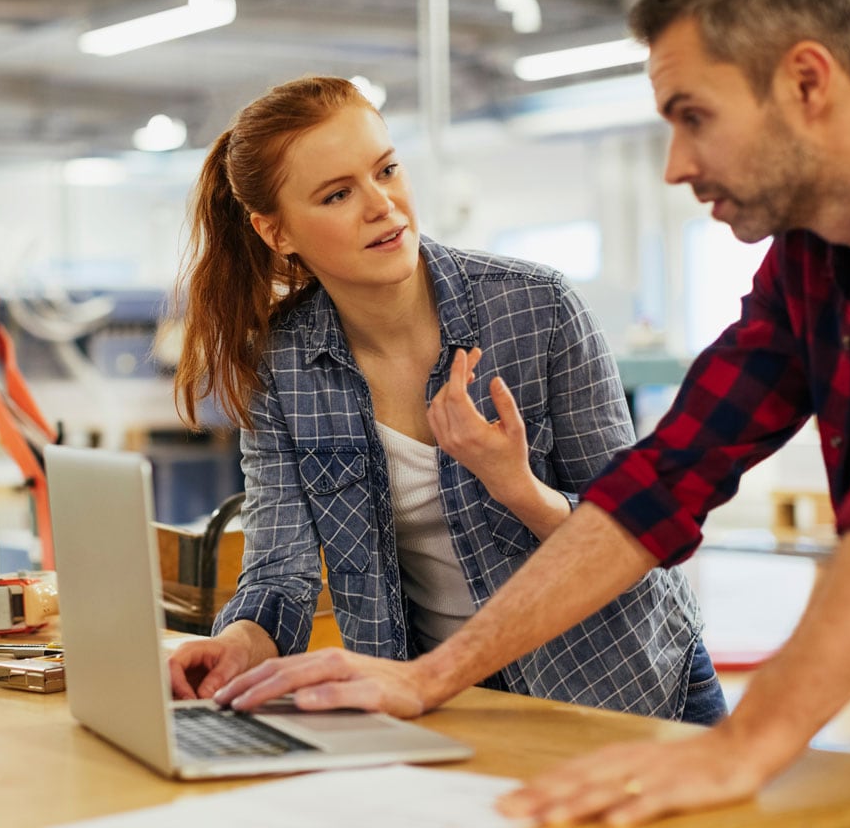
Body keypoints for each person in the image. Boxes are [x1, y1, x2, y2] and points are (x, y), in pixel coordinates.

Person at [209, 0, 850, 827]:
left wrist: (747, 741)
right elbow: (664, 478)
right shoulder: (814, 259)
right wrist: (430, 678)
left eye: (693, 117)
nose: (675, 165)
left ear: (807, 82)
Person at [166, 75, 728, 725]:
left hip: (618, 690)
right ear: (277, 233)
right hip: (449, 703)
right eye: (339, 194)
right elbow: (278, 574)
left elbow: (638, 534)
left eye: (387, 170)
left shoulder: (537, 309)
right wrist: (234, 644)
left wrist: (518, 486)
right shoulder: (282, 363)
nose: (382, 205)